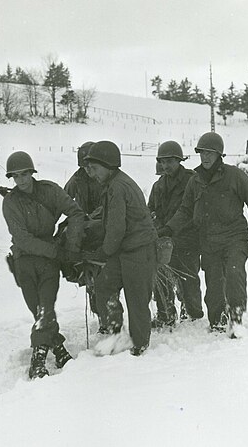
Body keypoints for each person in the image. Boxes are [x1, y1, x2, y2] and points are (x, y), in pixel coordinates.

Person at [161, 132, 248, 337]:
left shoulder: (235, 176)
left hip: (234, 237)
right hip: (208, 241)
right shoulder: (195, 181)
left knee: (235, 276)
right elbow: (185, 210)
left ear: (219, 155)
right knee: (214, 285)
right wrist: (169, 228)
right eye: (202, 153)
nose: (206, 157)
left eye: (210, 153)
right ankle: (217, 320)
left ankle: (236, 319)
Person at [1, 151, 86, 379]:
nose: (21, 180)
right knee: (36, 308)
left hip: (49, 262)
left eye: (24, 174)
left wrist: (71, 245)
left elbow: (76, 213)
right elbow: (22, 239)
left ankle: (38, 360)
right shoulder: (10, 203)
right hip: (24, 261)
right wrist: (57, 251)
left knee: (44, 308)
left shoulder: (49, 191)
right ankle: (58, 348)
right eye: (16, 176)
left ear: (31, 173)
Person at [82, 140, 157, 356]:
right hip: (125, 250)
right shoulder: (112, 185)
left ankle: (139, 346)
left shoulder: (118, 187)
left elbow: (116, 229)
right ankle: (116, 333)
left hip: (139, 250)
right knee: (105, 285)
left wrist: (103, 252)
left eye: (95, 169)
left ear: (109, 165)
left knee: (137, 299)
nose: (93, 174)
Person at [147, 140, 204, 328]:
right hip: (165, 240)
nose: (165, 166)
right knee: (161, 277)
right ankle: (166, 315)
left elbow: (195, 210)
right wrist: (156, 227)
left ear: (179, 160)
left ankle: (193, 314)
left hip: (188, 238)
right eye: (162, 162)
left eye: (169, 161)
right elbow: (151, 210)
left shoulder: (192, 179)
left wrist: (172, 228)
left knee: (189, 278)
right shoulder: (158, 186)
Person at [64, 141, 107, 332]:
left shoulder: (104, 178)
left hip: (103, 231)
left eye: (90, 165)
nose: (87, 170)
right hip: (85, 233)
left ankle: (109, 319)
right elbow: (63, 198)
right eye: (83, 166)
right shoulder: (76, 179)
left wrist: (96, 216)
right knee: (90, 277)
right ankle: (101, 317)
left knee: (105, 277)